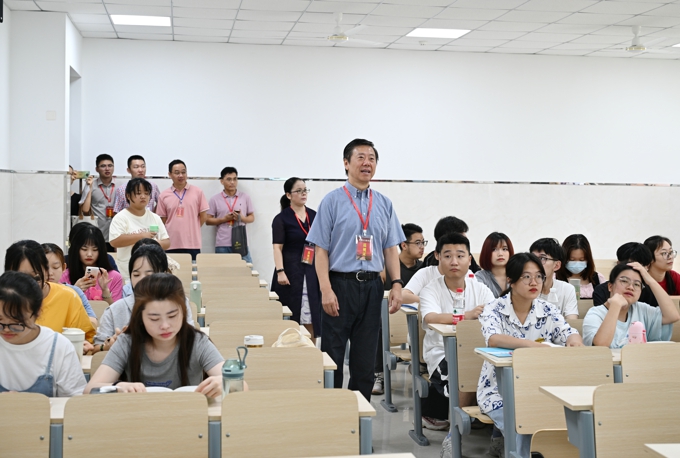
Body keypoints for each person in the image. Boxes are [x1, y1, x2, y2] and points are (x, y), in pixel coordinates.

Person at [306, 138, 404, 401]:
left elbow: (390, 249)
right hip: (340, 285)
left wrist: (396, 284)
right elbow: (321, 250)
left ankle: (360, 419)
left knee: (365, 361)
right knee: (333, 357)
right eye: (360, 157)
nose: (366, 163)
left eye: (371, 158)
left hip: (372, 287)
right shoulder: (332, 201)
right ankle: (332, 414)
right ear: (346, 163)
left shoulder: (384, 203)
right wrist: (326, 290)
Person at [477, 253, 583, 458]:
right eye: (526, 277)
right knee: (522, 426)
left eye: (538, 276)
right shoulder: (494, 308)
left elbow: (568, 332)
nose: (534, 282)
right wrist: (532, 346)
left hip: (542, 388)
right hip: (499, 391)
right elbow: (494, 339)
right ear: (511, 280)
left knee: (573, 421)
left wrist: (574, 341)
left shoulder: (548, 309)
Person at [84, 274, 224, 397]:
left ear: (183, 312)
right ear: (140, 317)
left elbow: (235, 382)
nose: (165, 325)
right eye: (154, 319)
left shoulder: (197, 342)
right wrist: (118, 387)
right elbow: (90, 389)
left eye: (172, 316)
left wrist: (221, 382)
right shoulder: (127, 342)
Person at [420, 233, 495, 430]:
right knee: (463, 371)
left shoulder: (481, 289)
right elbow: (431, 317)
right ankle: (455, 432)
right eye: (447, 256)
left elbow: (494, 317)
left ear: (469, 259)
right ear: (437, 257)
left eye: (460, 256)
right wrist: (466, 316)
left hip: (478, 351)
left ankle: (495, 430)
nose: (454, 261)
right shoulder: (430, 289)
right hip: (441, 352)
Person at [93, 244, 194, 354]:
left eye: (149, 275)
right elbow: (96, 349)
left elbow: (190, 341)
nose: (141, 280)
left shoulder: (180, 303)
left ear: (164, 274)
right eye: (136, 275)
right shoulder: (114, 310)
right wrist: (108, 346)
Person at [0, 271, 87, 397]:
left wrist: (26, 404)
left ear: (37, 312)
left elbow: (74, 401)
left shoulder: (58, 346)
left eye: (16, 321)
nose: (6, 329)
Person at [5, 240, 96, 344]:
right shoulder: (3, 299)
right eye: (20, 279)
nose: (28, 285)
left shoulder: (68, 297)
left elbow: (86, 339)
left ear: (45, 271)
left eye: (35, 278)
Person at [373, 222, 425, 395]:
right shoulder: (388, 268)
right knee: (378, 325)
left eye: (423, 243)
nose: (422, 247)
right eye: (417, 243)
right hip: (389, 316)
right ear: (403, 245)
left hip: (415, 318)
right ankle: (378, 374)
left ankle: (421, 366)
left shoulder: (423, 269)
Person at [582, 263, 679, 348]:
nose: (631, 287)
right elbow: (601, 346)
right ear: (610, 286)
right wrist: (615, 306)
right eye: (624, 281)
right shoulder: (595, 314)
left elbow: (672, 316)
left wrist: (650, 280)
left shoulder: (641, 309)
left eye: (637, 284)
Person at [270, 177, 320, 338]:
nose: (303, 193)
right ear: (288, 195)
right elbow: (277, 247)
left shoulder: (314, 215)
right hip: (290, 272)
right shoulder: (281, 218)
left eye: (305, 190)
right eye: (298, 191)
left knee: (312, 317)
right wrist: (280, 271)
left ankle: (311, 351)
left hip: (312, 272)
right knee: (291, 319)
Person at [109, 178, 171, 282]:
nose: (143, 196)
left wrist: (151, 243)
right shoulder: (120, 217)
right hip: (128, 274)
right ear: (128, 196)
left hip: (152, 273)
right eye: (138, 193)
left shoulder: (155, 217)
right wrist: (142, 236)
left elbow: (167, 242)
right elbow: (114, 241)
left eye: (146, 193)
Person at [156, 160, 209, 261]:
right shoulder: (164, 195)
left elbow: (203, 216)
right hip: (170, 243)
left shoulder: (197, 192)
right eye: (177, 173)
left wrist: (191, 228)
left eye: (183, 172)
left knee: (192, 270)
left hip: (192, 244)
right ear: (170, 174)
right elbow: (163, 220)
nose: (181, 175)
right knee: (171, 270)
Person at [60, 224, 124, 305]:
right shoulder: (64, 276)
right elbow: (59, 307)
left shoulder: (114, 277)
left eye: (95, 249)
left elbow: (117, 310)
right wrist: (74, 290)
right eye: (84, 249)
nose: (89, 254)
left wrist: (105, 291)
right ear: (76, 250)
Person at [42, 243, 98, 327]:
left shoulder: (75, 291)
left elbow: (92, 321)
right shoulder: (30, 293)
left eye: (55, 267)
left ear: (64, 268)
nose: (50, 273)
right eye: (45, 268)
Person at [207, 166, 255, 263]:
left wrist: (242, 218)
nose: (232, 182)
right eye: (229, 179)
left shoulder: (245, 197)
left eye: (234, 179)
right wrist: (224, 219)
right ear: (222, 181)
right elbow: (208, 220)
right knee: (223, 271)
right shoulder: (215, 199)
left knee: (246, 270)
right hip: (223, 244)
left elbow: (252, 217)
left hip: (241, 242)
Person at [592, 243, 658, 307]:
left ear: (647, 267)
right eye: (630, 265)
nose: (631, 287)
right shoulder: (601, 290)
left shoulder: (652, 291)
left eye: (638, 267)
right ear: (618, 264)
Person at [529, 238, 578, 319]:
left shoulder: (567, 289)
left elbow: (572, 321)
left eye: (542, 258)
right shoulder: (523, 287)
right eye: (532, 258)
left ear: (556, 265)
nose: (535, 263)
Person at [556, 234, 606, 299]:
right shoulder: (554, 278)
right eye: (572, 260)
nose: (577, 264)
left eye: (582, 260)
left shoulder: (598, 278)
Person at [86, 154, 116, 251]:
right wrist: (89, 188)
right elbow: (85, 210)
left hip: (117, 234)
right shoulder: (91, 185)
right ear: (97, 169)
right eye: (103, 166)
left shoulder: (121, 186)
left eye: (110, 165)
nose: (107, 169)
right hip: (97, 234)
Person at [475, 232, 514, 298]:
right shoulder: (480, 277)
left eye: (504, 249)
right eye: (494, 249)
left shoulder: (518, 275)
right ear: (486, 252)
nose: (500, 254)